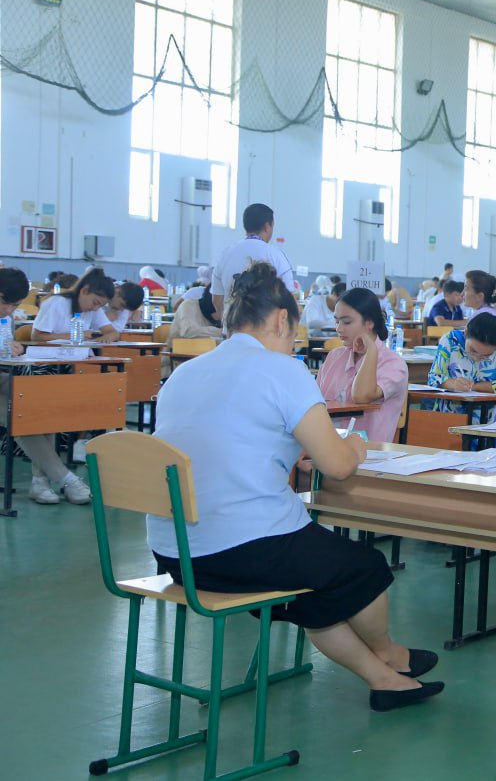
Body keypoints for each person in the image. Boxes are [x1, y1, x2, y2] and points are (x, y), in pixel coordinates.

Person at [149, 262, 439, 711]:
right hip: (243, 547)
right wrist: (357, 446)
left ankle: (385, 678)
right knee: (365, 568)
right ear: (282, 319)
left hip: (176, 553)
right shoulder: (282, 370)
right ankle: (387, 654)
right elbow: (339, 467)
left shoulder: (186, 372)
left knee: (313, 583)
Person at [0, 268, 96, 505]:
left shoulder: (5, 317)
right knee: (20, 414)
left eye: (15, 306)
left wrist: (12, 346)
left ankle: (42, 482)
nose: (9, 311)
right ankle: (63, 479)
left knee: (41, 402)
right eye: (6, 304)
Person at [316, 288, 409, 443]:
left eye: (346, 322)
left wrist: (371, 351)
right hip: (327, 452)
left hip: (371, 458)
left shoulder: (393, 364)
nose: (339, 328)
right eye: (337, 321)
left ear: (370, 323)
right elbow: (315, 404)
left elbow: (361, 396)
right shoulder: (335, 356)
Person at [425, 313, 496, 420]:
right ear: (466, 333)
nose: (477, 357)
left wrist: (474, 386)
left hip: (491, 420)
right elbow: (434, 379)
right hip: (450, 416)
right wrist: (453, 384)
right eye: (473, 350)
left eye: (486, 355)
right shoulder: (450, 340)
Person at [210, 203, 294, 320]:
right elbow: (289, 300)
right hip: (264, 334)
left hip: (231, 332)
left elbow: (216, 300)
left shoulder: (225, 254)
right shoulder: (276, 255)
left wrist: (229, 321)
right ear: (267, 226)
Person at [32, 268, 120, 343]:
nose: (96, 309)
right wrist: (75, 335)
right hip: (52, 357)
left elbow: (113, 332)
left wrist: (107, 337)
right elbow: (37, 336)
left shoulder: (94, 309)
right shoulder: (56, 303)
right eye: (95, 303)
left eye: (101, 306)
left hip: (78, 356)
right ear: (84, 291)